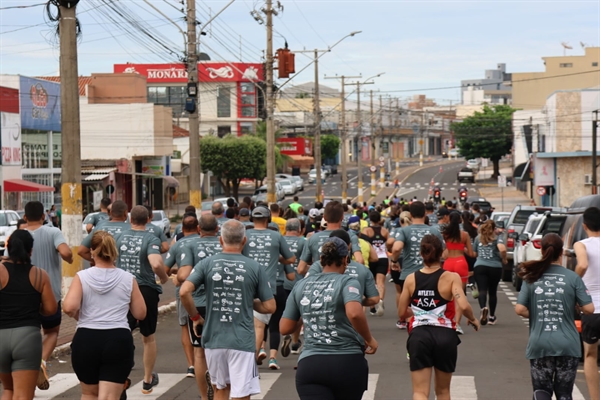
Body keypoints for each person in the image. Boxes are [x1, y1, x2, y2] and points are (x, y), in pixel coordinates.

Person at [181, 220, 275, 400]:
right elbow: (270, 306)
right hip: (242, 341)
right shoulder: (255, 267)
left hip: (214, 339)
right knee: (241, 393)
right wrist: (248, 302)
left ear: (221, 241)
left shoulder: (206, 264)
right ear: (244, 241)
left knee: (219, 390)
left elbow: (185, 291)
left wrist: (195, 318)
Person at [280, 237, 378, 400]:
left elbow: (285, 328)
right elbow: (354, 312)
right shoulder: (347, 282)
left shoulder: (301, 285)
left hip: (311, 363)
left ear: (321, 259)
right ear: (345, 260)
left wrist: (308, 312)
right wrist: (369, 339)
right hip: (347, 361)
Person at [63, 231, 146, 400]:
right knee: (109, 397)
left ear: (92, 251)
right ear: (114, 251)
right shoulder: (128, 278)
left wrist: (81, 316)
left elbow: (69, 307)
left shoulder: (82, 277)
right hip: (118, 338)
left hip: (86, 338)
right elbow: (140, 313)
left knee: (89, 394)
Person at [397, 235, 480, 400]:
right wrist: (473, 318)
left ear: (421, 254)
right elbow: (463, 305)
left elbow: (401, 312)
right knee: (443, 392)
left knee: (420, 392)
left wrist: (419, 311)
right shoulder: (451, 277)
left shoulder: (411, 279)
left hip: (419, 336)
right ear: (442, 253)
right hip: (445, 336)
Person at [516, 233, 594, 400]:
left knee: (541, 392)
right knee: (564, 394)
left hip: (540, 343)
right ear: (561, 253)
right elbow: (589, 308)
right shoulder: (573, 277)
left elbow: (520, 309)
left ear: (542, 250)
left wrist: (538, 312)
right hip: (568, 345)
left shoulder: (531, 277)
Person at [114, 206, 169, 395]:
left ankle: (120, 377)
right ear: (148, 219)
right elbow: (155, 263)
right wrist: (164, 278)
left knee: (122, 334)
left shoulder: (119, 237)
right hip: (145, 290)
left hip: (121, 289)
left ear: (130, 220)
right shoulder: (151, 238)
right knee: (148, 336)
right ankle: (147, 380)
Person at [0, 230, 57, 400]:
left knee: (8, 390)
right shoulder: (40, 275)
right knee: (23, 395)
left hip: (0, 336)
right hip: (27, 337)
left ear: (8, 248)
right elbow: (50, 309)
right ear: (31, 250)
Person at [22, 201, 73, 390]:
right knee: (51, 331)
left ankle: (27, 369)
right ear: (44, 216)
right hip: (50, 294)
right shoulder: (53, 232)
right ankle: (41, 361)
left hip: (26, 294)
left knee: (30, 333)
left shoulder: (19, 236)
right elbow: (66, 252)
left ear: (25, 217)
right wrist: (69, 258)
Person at [177, 214, 222, 400]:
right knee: (222, 348)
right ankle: (220, 389)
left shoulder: (190, 245)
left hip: (198, 305)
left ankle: (204, 396)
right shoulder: (223, 244)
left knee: (200, 352)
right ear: (218, 229)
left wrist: (178, 276)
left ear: (198, 229)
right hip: (222, 303)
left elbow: (184, 274)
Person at [242, 207, 295, 365]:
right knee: (260, 327)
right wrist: (277, 259)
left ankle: (242, 361)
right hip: (266, 288)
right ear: (268, 220)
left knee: (245, 326)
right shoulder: (276, 236)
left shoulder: (245, 235)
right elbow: (291, 259)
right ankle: (250, 364)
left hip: (244, 286)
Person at [390, 202, 444, 330]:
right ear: (425, 213)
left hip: (409, 275)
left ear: (411, 215)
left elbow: (397, 248)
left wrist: (394, 261)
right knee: (431, 307)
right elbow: (444, 252)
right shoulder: (434, 230)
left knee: (410, 310)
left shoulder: (404, 231)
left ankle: (413, 333)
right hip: (431, 274)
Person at [164, 213, 200, 379]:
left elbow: (165, 270)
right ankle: (206, 361)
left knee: (185, 326)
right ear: (198, 228)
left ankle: (191, 365)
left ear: (182, 229)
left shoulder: (178, 245)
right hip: (206, 290)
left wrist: (175, 273)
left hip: (184, 292)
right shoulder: (206, 243)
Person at [574, 206, 600, 400]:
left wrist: (574, 285)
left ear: (584, 225)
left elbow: (582, 264)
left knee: (590, 356)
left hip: (592, 309)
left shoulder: (581, 244)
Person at [297, 201, 364, 275]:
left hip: (320, 282)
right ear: (342, 217)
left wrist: (317, 270)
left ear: (324, 218)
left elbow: (300, 269)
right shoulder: (350, 236)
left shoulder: (312, 238)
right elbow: (359, 260)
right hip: (343, 281)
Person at [441, 211, 475, 333]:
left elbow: (443, 251)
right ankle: (457, 323)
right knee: (460, 294)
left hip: (448, 263)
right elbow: (471, 254)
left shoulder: (445, 234)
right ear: (461, 220)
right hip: (461, 263)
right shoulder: (465, 235)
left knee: (446, 294)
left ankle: (446, 320)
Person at [281, 219, 307, 356]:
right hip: (298, 283)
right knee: (298, 315)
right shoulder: (303, 242)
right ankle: (295, 342)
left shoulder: (280, 240)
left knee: (282, 312)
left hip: (282, 282)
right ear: (299, 229)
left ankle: (284, 333)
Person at [473, 220, 507, 326]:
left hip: (480, 266)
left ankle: (483, 308)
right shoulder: (497, 238)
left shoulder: (478, 238)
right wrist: (504, 259)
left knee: (482, 290)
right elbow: (502, 249)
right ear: (493, 228)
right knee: (492, 292)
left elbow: (474, 254)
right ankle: (491, 317)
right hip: (495, 267)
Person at [361, 211, 390, 316]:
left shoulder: (366, 230)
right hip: (383, 258)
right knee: (380, 283)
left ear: (370, 219)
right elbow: (390, 244)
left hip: (371, 258)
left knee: (370, 283)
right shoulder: (385, 231)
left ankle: (372, 307)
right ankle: (381, 300)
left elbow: (363, 243)